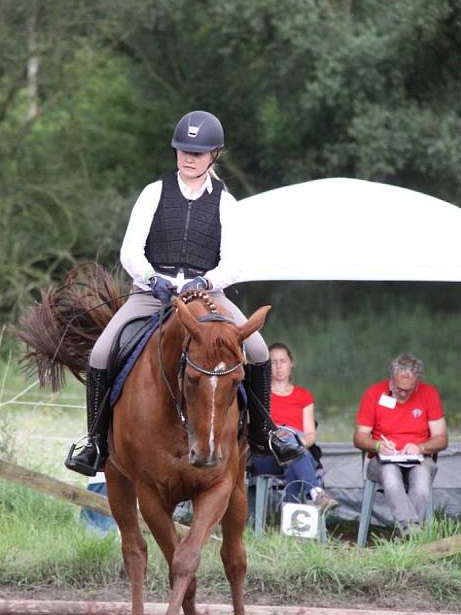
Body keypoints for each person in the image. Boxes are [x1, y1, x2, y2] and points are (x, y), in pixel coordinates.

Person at [66, 110, 298, 475]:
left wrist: (205, 282)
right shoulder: (154, 192)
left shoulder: (225, 202)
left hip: (206, 296)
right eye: (183, 151)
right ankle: (93, 443)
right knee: (100, 352)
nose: (190, 158)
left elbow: (234, 262)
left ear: (214, 155)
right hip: (150, 294)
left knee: (256, 349)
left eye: (199, 153)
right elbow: (130, 250)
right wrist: (150, 276)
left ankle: (264, 432)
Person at [353, 352, 448, 536]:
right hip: (383, 459)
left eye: (409, 390)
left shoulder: (429, 394)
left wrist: (420, 447)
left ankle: (405, 533)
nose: (403, 393)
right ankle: (410, 532)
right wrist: (379, 446)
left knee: (421, 484)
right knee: (391, 478)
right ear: (391, 379)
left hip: (420, 457)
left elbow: (442, 438)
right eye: (398, 389)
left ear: (417, 383)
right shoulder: (374, 393)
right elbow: (359, 438)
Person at [251, 342, 338, 512]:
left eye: (282, 361)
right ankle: (316, 492)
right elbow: (256, 431)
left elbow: (310, 435)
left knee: (294, 457)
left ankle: (292, 531)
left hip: (298, 450)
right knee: (285, 435)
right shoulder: (260, 394)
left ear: (291, 363)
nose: (278, 367)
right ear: (267, 366)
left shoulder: (303, 396)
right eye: (273, 362)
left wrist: (297, 446)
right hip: (267, 455)